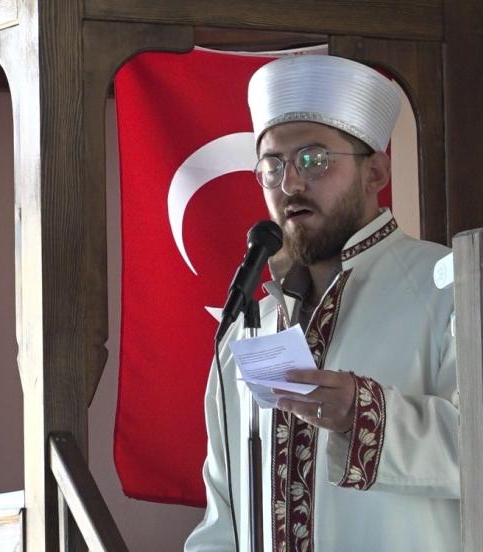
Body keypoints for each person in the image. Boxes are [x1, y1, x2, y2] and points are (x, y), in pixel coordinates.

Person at [185, 54, 460, 552]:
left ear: (375, 171)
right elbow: (224, 516)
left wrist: (363, 414)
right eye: (273, 166)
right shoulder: (249, 327)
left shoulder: (448, 285)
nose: (290, 184)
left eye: (313, 159)